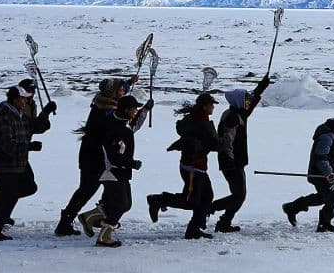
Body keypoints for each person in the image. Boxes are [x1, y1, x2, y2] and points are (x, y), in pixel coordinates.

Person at [57, 76, 149, 236]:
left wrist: (129, 82)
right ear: (112, 92)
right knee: (89, 190)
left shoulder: (104, 102)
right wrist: (143, 112)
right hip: (96, 157)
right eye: (120, 90)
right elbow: (126, 128)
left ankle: (97, 217)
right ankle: (76, 220)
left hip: (97, 155)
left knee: (102, 190)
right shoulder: (107, 110)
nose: (123, 92)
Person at [0, 79, 55, 240]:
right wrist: (29, 146)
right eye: (24, 97)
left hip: (18, 162)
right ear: (15, 99)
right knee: (11, 195)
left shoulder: (19, 115)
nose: (27, 100)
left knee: (29, 187)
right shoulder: (5, 117)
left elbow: (37, 127)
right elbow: (7, 146)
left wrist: (46, 112)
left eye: (28, 97)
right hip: (4, 163)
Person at [146, 92, 229, 240]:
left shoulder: (194, 119)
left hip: (193, 165)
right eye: (211, 105)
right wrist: (227, 140)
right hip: (194, 167)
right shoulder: (201, 122)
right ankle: (159, 200)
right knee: (191, 201)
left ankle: (194, 229)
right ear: (205, 107)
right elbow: (214, 144)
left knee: (206, 197)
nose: (213, 108)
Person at [79, 94, 143, 248]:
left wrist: (145, 110)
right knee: (121, 204)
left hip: (116, 170)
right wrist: (131, 163)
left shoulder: (119, 122)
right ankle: (104, 237)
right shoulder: (117, 128)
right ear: (127, 110)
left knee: (123, 204)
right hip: (111, 171)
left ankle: (89, 216)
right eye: (135, 109)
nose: (136, 111)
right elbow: (113, 155)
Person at [209, 76, 272, 232]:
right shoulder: (232, 118)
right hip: (231, 162)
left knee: (238, 195)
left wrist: (261, 87)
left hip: (234, 162)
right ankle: (210, 210)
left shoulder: (238, 113)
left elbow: (251, 103)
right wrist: (230, 161)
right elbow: (227, 143)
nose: (248, 102)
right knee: (238, 196)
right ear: (239, 102)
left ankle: (223, 221)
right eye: (246, 100)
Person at [283, 111, 334, 232]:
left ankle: (292, 207)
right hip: (320, 174)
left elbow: (333, 155)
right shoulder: (327, 135)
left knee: (323, 197)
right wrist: (329, 173)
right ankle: (324, 224)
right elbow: (321, 157)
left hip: (325, 174)